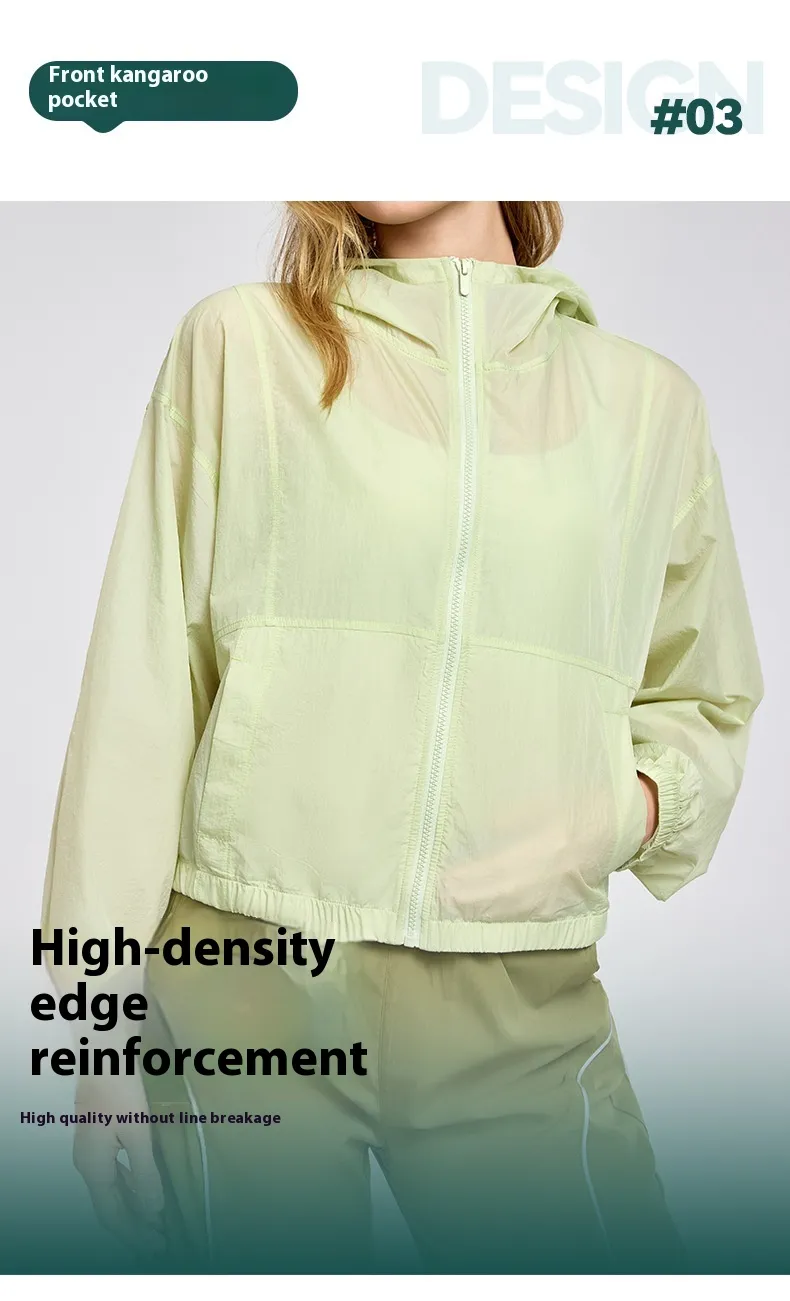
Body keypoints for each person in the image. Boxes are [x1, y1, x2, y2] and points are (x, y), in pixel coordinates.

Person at [41, 201, 763, 1273]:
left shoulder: (649, 406)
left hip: (519, 994)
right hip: (244, 984)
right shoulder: (241, 343)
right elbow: (141, 693)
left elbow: (703, 696)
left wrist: (618, 809)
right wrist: (91, 1030)